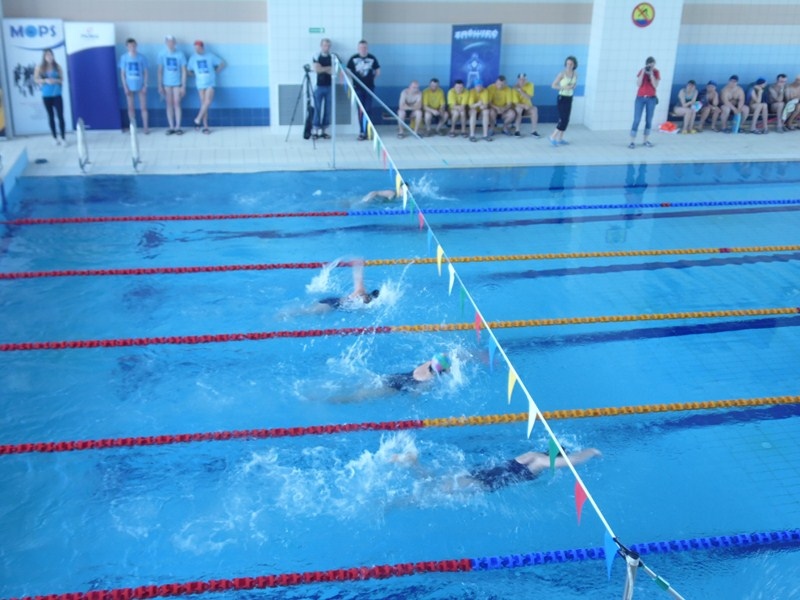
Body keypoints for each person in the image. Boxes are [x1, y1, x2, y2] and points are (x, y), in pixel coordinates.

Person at [462, 447, 601, 492]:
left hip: (485, 471)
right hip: (490, 482)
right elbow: (574, 460)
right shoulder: (541, 462)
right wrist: (592, 451)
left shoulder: (530, 455)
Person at [311, 259, 379, 314]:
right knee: (307, 311)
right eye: (367, 298)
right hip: (330, 304)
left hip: (334, 303)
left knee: (308, 311)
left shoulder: (360, 300)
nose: (366, 298)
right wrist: (358, 266)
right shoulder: (360, 293)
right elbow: (358, 279)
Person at [187, 40, 225, 134]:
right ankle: (205, 127)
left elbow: (222, 63)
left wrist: (216, 71)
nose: (197, 50)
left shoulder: (210, 56)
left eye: (199, 48)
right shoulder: (193, 58)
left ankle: (197, 119)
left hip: (210, 83)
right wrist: (194, 75)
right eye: (195, 48)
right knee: (204, 105)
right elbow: (188, 70)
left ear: (202, 48)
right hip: (200, 84)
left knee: (207, 102)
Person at [346, 40, 381, 141]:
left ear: (367, 48)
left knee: (369, 109)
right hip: (357, 88)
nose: (363, 49)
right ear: (358, 49)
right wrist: (354, 80)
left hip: (369, 88)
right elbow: (347, 71)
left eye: (365, 47)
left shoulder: (372, 58)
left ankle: (369, 131)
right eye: (361, 47)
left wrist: (371, 79)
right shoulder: (353, 58)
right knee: (361, 111)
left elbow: (378, 71)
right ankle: (362, 132)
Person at [33, 49, 66, 146]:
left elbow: (62, 79)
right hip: (46, 96)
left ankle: (63, 138)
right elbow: (36, 79)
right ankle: (54, 137)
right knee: (51, 116)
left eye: (50, 55)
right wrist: (45, 81)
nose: (49, 57)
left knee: (60, 116)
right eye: (47, 55)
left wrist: (55, 80)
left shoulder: (57, 66)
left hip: (57, 95)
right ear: (44, 57)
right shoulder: (40, 67)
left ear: (53, 56)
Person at [157, 35, 187, 135]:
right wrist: (160, 85)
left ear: (175, 43)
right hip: (166, 83)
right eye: (168, 42)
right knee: (169, 104)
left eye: (172, 42)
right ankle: (171, 126)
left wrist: (183, 86)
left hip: (177, 83)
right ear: (166, 43)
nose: (170, 44)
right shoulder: (162, 54)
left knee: (177, 103)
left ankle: (178, 126)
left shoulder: (180, 54)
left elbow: (184, 71)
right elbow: (160, 71)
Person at [119, 38, 149, 134]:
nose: (132, 47)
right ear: (127, 47)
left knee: (143, 107)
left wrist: (145, 85)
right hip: (129, 86)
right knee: (130, 108)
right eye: (130, 46)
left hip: (140, 85)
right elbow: (122, 74)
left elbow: (145, 72)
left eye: (134, 46)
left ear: (136, 46)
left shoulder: (141, 57)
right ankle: (133, 127)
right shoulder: (124, 58)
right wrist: (125, 87)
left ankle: (145, 127)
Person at [628, 56, 660, 149]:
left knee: (649, 120)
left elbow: (655, 85)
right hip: (640, 98)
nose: (651, 67)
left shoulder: (656, 72)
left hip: (651, 99)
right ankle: (632, 141)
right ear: (646, 64)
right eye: (649, 65)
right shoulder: (642, 71)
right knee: (636, 120)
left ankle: (645, 140)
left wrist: (651, 74)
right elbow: (638, 84)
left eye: (653, 65)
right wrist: (643, 72)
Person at [549, 56, 578, 146]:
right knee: (563, 119)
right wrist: (564, 87)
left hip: (569, 97)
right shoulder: (562, 74)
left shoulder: (575, 74)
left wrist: (573, 86)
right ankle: (553, 136)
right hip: (562, 97)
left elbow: (574, 84)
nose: (569, 65)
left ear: (574, 65)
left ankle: (560, 138)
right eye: (567, 63)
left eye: (571, 64)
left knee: (567, 119)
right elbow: (553, 85)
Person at [312, 38, 333, 139]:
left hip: (330, 87)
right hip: (319, 86)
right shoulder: (316, 55)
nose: (326, 47)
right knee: (317, 108)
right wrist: (328, 68)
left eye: (328, 46)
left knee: (328, 109)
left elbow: (334, 71)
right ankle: (315, 131)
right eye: (325, 45)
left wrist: (322, 68)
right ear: (321, 46)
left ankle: (323, 131)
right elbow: (317, 70)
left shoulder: (333, 57)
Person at [512, 73, 540, 137]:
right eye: (520, 79)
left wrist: (520, 91)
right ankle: (517, 131)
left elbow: (529, 97)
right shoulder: (514, 88)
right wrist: (523, 106)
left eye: (524, 80)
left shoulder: (530, 85)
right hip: (518, 107)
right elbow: (515, 103)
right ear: (518, 80)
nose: (522, 81)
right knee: (519, 109)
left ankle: (534, 131)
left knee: (534, 109)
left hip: (527, 107)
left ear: (526, 80)